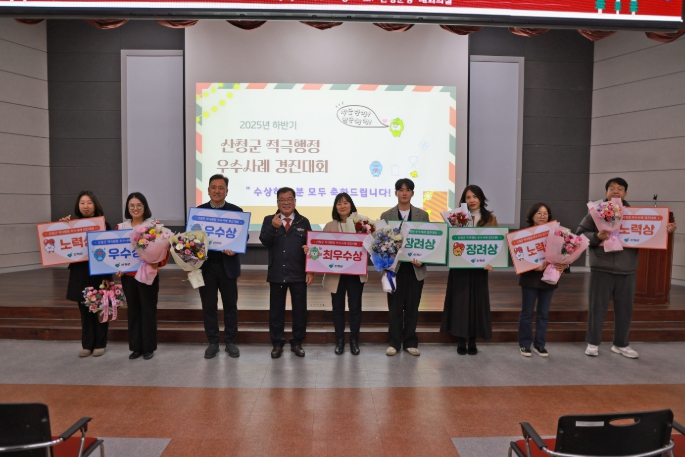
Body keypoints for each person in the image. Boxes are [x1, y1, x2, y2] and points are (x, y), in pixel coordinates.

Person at [577, 177, 676, 359]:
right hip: (602, 267)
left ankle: (621, 344)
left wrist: (665, 230)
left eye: (620, 188)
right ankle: (593, 342)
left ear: (625, 193)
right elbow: (580, 235)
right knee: (597, 308)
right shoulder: (596, 213)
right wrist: (597, 237)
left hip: (627, 268)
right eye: (612, 188)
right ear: (606, 192)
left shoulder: (634, 214)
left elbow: (648, 233)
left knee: (625, 310)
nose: (615, 191)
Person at [440, 185, 499, 355]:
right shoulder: (457, 218)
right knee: (460, 303)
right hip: (460, 267)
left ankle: (473, 340)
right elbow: (450, 241)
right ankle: (460, 339)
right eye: (468, 197)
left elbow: (496, 243)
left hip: (480, 268)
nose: (472, 200)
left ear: (481, 198)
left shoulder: (490, 218)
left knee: (476, 303)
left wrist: (492, 262)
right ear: (463, 200)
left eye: (475, 196)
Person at [259, 187, 314, 359]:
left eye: (289, 199)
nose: (286, 202)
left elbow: (312, 248)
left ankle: (297, 343)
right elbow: (264, 241)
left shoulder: (304, 221)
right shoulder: (269, 220)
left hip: (298, 273)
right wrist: (273, 228)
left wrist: (310, 270)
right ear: (277, 202)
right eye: (282, 199)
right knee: (276, 311)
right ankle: (277, 343)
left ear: (295, 201)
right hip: (277, 273)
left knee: (300, 311)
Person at [117, 192, 168, 361]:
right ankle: (136, 347)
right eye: (131, 205)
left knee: (148, 310)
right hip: (128, 276)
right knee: (133, 311)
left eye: (139, 205)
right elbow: (115, 253)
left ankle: (148, 347)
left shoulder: (154, 226)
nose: (135, 208)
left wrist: (157, 262)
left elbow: (165, 249)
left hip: (148, 274)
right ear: (127, 208)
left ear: (145, 207)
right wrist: (116, 267)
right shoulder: (121, 228)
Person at [380, 178, 429, 357]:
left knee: (412, 307)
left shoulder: (422, 215)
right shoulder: (387, 215)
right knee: (394, 307)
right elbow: (381, 243)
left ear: (412, 193)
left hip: (415, 268)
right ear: (396, 193)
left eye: (408, 190)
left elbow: (428, 242)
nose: (404, 193)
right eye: (401, 190)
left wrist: (424, 259)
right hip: (394, 269)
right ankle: (394, 343)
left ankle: (410, 342)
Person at [61, 191, 112, 358]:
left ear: (95, 205)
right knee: (84, 310)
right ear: (78, 205)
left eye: (89, 202)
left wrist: (107, 276)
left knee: (100, 309)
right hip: (80, 273)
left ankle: (100, 344)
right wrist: (62, 228)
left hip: (99, 273)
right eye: (82, 202)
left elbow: (110, 252)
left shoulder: (104, 224)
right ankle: (87, 344)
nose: (85, 206)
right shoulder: (71, 225)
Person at [197, 174, 242, 360]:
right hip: (206, 266)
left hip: (228, 265)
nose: (217, 191)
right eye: (213, 187)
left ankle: (231, 342)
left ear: (226, 191)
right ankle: (213, 342)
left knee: (230, 306)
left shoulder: (236, 211)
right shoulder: (199, 212)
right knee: (209, 306)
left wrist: (235, 248)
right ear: (208, 190)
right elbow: (190, 237)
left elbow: (243, 236)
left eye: (221, 188)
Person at [517, 203, 568, 358]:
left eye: (545, 213)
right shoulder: (524, 234)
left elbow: (566, 252)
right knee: (527, 312)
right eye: (539, 213)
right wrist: (533, 266)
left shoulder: (557, 234)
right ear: (532, 215)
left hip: (549, 278)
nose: (542, 216)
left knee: (543, 313)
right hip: (530, 279)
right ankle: (525, 344)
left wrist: (565, 264)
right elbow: (518, 258)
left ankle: (540, 344)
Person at [321, 193, 368, 355]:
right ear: (335, 207)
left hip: (355, 273)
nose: (342, 206)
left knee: (355, 308)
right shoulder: (329, 226)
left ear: (351, 205)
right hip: (336, 274)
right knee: (337, 308)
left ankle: (354, 340)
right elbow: (322, 248)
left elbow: (369, 247)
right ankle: (339, 340)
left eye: (346, 203)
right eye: (339, 203)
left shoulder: (361, 224)